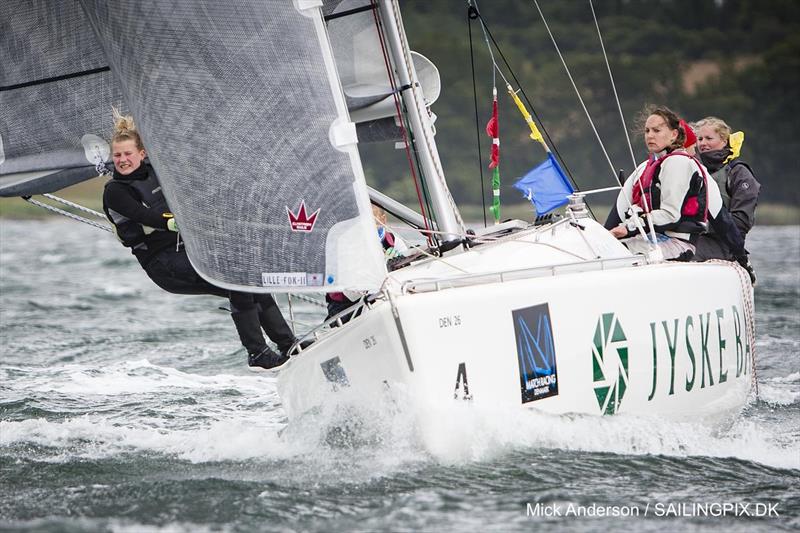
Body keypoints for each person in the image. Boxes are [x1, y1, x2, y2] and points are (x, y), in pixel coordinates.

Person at [102, 110, 300, 370]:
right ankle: (258, 353)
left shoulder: (156, 172)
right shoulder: (115, 191)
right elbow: (145, 216)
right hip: (162, 263)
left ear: (142, 154)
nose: (122, 160)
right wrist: (176, 222)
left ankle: (289, 346)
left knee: (251, 281)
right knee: (237, 282)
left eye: (128, 154)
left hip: (189, 250)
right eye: (117, 155)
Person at [607, 106, 748, 268]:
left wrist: (741, 259)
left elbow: (671, 215)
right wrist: (608, 235)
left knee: (613, 253)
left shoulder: (679, 163)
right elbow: (722, 221)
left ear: (674, 135)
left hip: (678, 244)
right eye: (647, 131)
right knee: (608, 250)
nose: (650, 135)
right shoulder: (649, 167)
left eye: (656, 131)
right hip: (651, 239)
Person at [693, 116, 761, 262]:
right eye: (700, 139)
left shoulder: (739, 173)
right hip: (691, 238)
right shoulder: (693, 169)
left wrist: (704, 225)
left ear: (724, 141)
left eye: (709, 138)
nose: (703, 143)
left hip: (725, 244)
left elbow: (741, 222)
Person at [325, 205, 408, 324]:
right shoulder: (347, 244)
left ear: (383, 219)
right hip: (345, 307)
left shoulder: (394, 242)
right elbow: (349, 293)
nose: (366, 224)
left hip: (383, 298)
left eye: (372, 218)